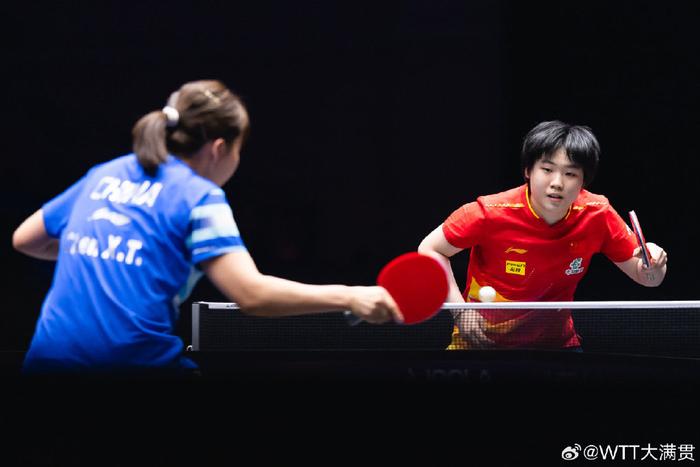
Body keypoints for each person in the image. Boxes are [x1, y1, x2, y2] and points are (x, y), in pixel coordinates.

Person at [12, 79, 403, 373]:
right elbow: (252, 295)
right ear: (219, 148)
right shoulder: (198, 196)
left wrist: (113, 249)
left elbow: (26, 239)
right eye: (239, 150)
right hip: (132, 365)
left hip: (45, 362)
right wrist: (349, 296)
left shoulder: (105, 173)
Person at [418, 120, 668, 350]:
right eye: (547, 169)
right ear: (528, 170)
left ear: (583, 180)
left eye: (570, 174)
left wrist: (654, 266)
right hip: (480, 342)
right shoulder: (489, 212)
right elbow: (430, 249)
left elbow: (648, 278)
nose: (557, 182)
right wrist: (460, 311)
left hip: (556, 346)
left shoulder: (598, 214)